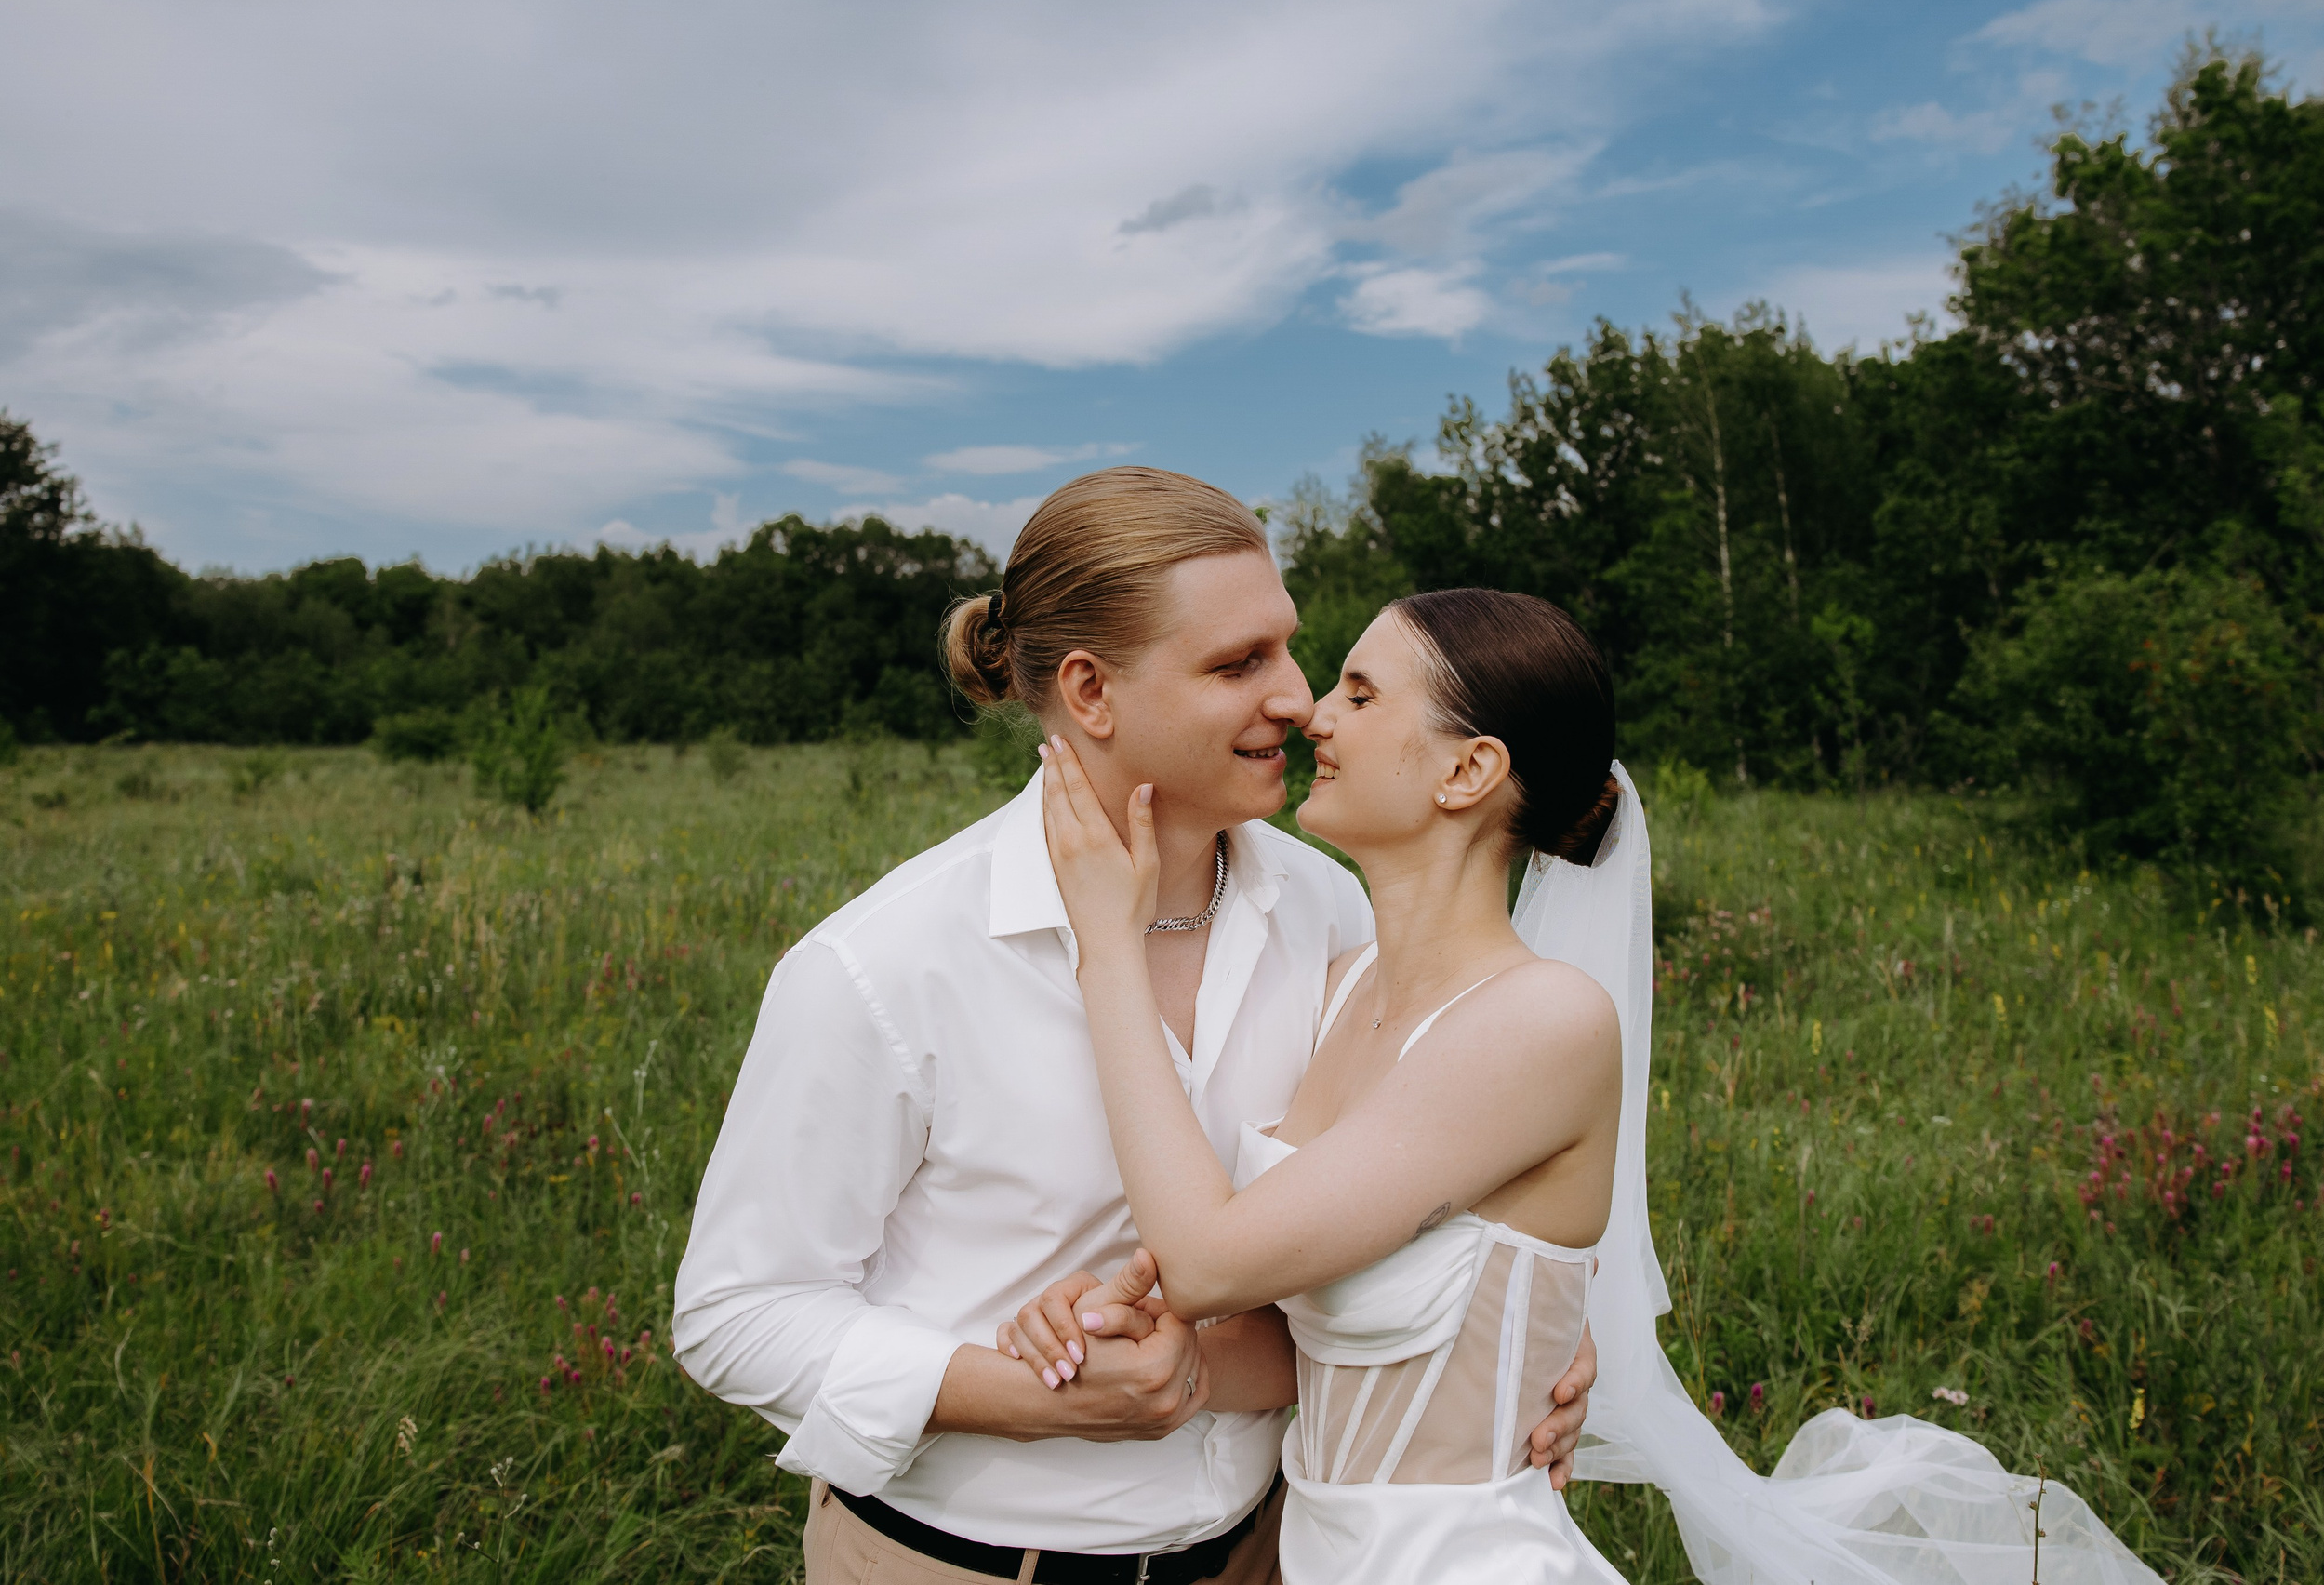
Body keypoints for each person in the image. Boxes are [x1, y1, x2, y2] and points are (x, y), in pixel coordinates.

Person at [1018, 587, 2168, 1585]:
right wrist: (1132, 1334)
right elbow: (1289, 1321)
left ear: (1469, 770)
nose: (1312, 713)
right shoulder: (1340, 984)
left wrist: (1107, 945)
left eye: (1360, 696)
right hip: (1315, 1552)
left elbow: (1210, 1260)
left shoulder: (1543, 1023)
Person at [672, 470, 1599, 1585]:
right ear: (1090, 691)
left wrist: (1515, 1336)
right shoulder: (885, 964)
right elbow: (736, 1314)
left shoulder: (1331, 916)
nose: (1296, 700)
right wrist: (1021, 1395)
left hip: (1269, 1554)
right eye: (1237, 664)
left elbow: (1412, 1197)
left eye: (1290, 649)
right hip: (965, 1565)